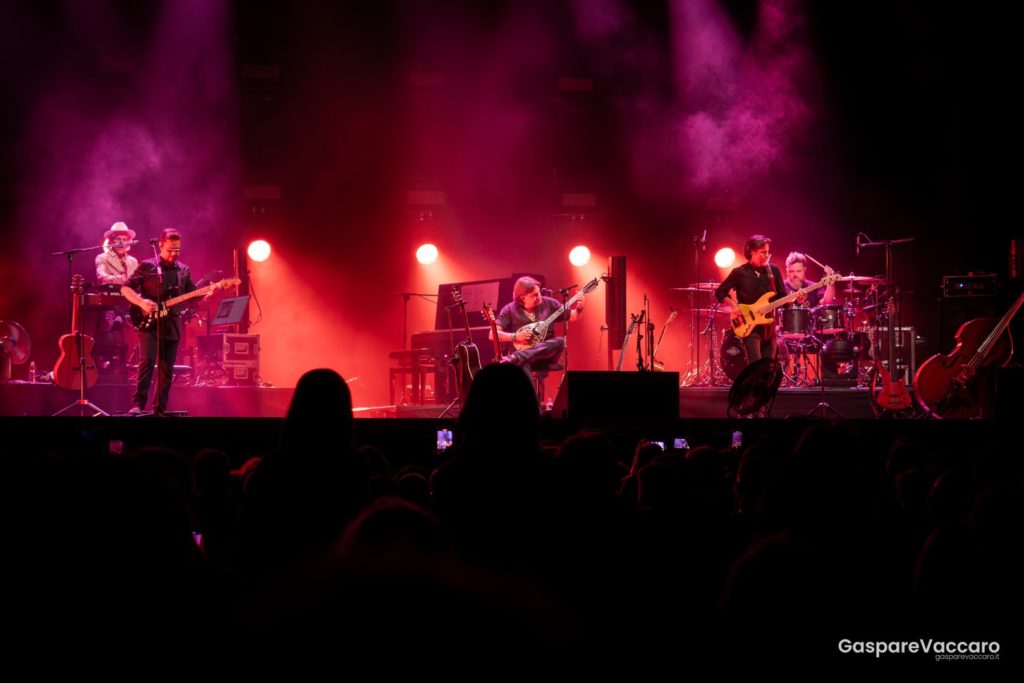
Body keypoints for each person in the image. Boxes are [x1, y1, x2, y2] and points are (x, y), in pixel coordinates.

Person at [120, 229, 210, 415]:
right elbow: (125, 288)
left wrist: (206, 294)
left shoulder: (183, 270)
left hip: (171, 323)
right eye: (170, 250)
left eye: (177, 250)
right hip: (149, 322)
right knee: (147, 361)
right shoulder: (147, 266)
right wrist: (141, 302)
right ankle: (138, 404)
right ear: (160, 246)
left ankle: (159, 408)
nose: (174, 254)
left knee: (166, 368)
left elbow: (191, 296)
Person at [715, 235, 787, 368]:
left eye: (768, 252)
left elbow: (783, 297)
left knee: (768, 369)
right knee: (755, 368)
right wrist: (734, 306)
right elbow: (720, 292)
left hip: (769, 329)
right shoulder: (739, 272)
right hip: (749, 327)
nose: (767, 255)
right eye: (763, 252)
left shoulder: (774, 271)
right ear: (752, 252)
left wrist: (796, 298)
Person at [492, 276, 583, 370]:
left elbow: (574, 316)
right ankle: (521, 358)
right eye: (534, 295)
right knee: (521, 364)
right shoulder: (509, 309)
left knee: (561, 341)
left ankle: (519, 356)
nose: (539, 296)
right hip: (522, 356)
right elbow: (492, 334)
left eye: (539, 292)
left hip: (545, 355)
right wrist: (515, 336)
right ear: (522, 297)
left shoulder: (549, 303)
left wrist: (579, 308)